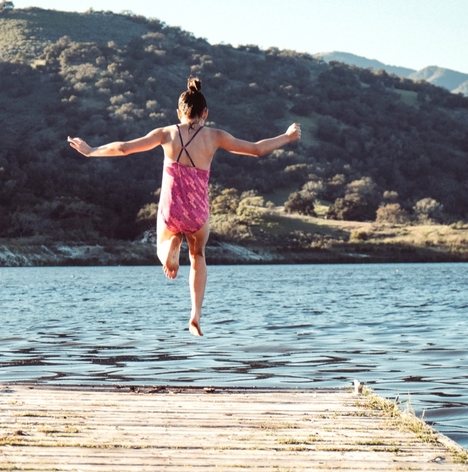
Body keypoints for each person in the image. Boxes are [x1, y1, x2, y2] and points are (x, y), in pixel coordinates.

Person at [67, 77, 302, 337]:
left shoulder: (166, 133)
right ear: (206, 113)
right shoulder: (215, 137)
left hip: (171, 209)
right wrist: (287, 137)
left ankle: (170, 247)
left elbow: (123, 149)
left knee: (161, 246)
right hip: (198, 212)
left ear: (178, 112)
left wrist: (91, 150)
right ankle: (195, 315)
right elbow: (257, 149)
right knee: (198, 256)